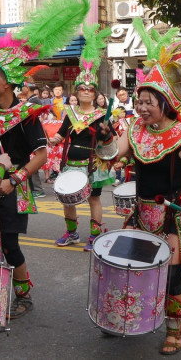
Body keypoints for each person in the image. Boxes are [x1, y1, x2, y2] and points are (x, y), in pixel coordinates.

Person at [0, 0, 89, 319]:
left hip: (11, 186)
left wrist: (15, 180)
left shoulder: (27, 115)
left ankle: (23, 294)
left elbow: (41, 156)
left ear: (8, 83)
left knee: (8, 244)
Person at [112, 43, 181, 355]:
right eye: (139, 101)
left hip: (173, 216)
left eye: (149, 102)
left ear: (165, 103)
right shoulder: (135, 129)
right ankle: (130, 315)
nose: (142, 108)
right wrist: (106, 137)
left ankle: (174, 330)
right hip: (140, 214)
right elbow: (113, 154)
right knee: (132, 269)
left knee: (171, 277)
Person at [50, 24, 115, 251]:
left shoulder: (101, 115)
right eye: (82, 88)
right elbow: (60, 134)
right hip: (70, 164)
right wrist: (51, 140)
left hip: (92, 164)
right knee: (67, 199)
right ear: (76, 92)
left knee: (93, 200)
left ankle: (94, 236)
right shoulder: (71, 113)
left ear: (95, 93)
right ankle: (71, 233)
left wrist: (106, 133)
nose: (86, 91)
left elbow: (110, 143)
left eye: (90, 88)